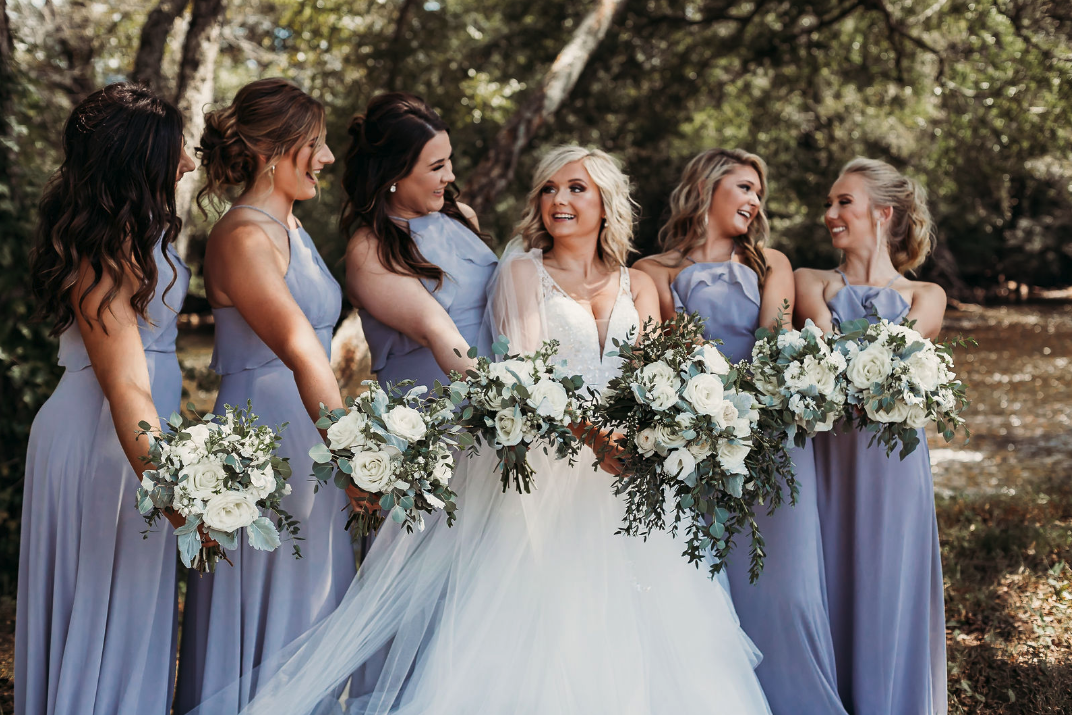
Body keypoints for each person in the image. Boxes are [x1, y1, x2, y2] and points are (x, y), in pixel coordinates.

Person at [188, 145, 773, 715]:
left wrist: (660, 431)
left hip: (631, 479)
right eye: (548, 188)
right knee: (541, 636)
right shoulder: (522, 269)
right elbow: (523, 374)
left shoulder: (638, 283)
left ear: (606, 203)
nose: (558, 200)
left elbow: (653, 376)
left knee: (653, 633)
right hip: (547, 469)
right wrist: (592, 432)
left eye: (576, 188)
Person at [636, 148, 845, 714]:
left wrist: (749, 402)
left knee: (789, 591)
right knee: (708, 588)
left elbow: (774, 339)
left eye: (759, 192)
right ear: (705, 187)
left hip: (774, 437)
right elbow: (660, 351)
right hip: (695, 442)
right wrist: (703, 408)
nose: (755, 201)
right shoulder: (651, 272)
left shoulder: (769, 263)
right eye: (745, 187)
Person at [174, 78, 361, 712]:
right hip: (268, 445)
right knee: (265, 600)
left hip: (311, 438)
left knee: (312, 606)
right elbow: (299, 347)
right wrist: (355, 449)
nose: (328, 157)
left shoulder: (294, 228)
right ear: (267, 149)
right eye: (315, 142)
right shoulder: (242, 236)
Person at [17, 82, 195, 715]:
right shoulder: (104, 254)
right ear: (140, 159)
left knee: (130, 611)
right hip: (107, 440)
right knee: (99, 605)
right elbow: (124, 384)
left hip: (137, 438)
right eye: (177, 150)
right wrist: (178, 491)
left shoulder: (133, 237)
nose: (190, 163)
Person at [796, 157, 948, 714]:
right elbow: (829, 347)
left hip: (893, 465)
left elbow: (891, 359)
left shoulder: (926, 295)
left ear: (883, 214)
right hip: (828, 456)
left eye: (844, 203)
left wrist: (848, 359)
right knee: (827, 581)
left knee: (887, 585)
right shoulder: (810, 281)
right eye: (831, 203)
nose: (830, 214)